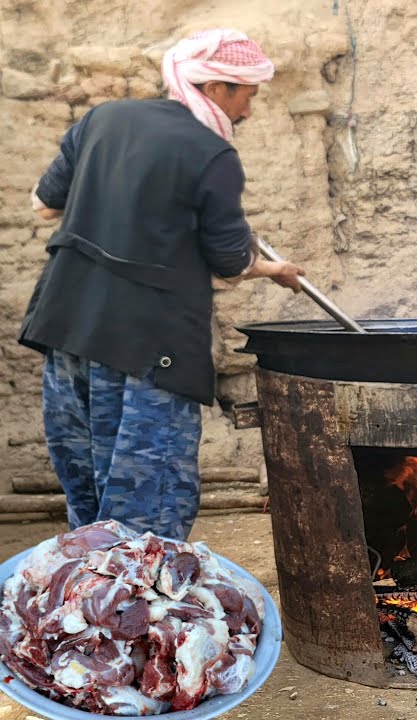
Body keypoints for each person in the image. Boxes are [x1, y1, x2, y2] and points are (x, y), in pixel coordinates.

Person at [20, 29, 306, 541]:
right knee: (146, 499)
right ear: (216, 88)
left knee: (87, 484)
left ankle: (86, 605)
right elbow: (228, 261)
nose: (248, 111)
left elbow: (44, 203)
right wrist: (273, 269)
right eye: (247, 95)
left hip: (67, 328)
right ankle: (140, 608)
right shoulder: (211, 154)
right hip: (151, 346)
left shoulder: (104, 119)